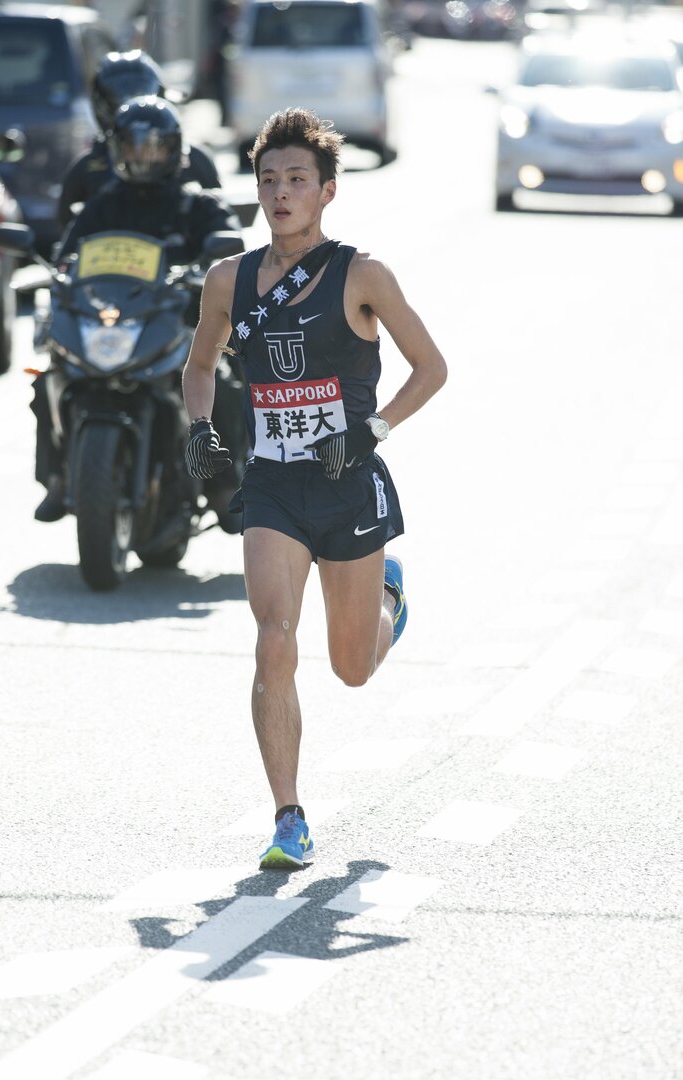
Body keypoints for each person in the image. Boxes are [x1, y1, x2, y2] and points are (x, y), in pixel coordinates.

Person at [181, 107, 447, 870]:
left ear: (327, 190)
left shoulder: (362, 273)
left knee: (352, 668)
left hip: (348, 484)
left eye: (297, 179)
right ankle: (287, 817)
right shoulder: (227, 280)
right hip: (272, 489)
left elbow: (431, 368)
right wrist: (201, 426)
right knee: (272, 642)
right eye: (268, 180)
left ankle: (388, 599)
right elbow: (200, 366)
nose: (280, 193)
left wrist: (371, 430)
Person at [33, 96, 244, 527]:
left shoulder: (196, 204)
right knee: (48, 378)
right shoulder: (104, 203)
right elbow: (66, 257)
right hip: (112, 321)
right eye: (134, 147)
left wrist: (210, 265)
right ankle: (56, 478)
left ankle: (224, 487)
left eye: (155, 147)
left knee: (222, 382)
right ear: (117, 149)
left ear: (175, 150)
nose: (144, 157)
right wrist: (56, 271)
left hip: (181, 324)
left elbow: (231, 248)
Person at [57, 50, 221, 230]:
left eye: (156, 150)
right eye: (131, 149)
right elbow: (67, 232)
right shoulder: (87, 171)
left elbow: (220, 226)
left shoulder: (196, 162)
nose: (142, 157)